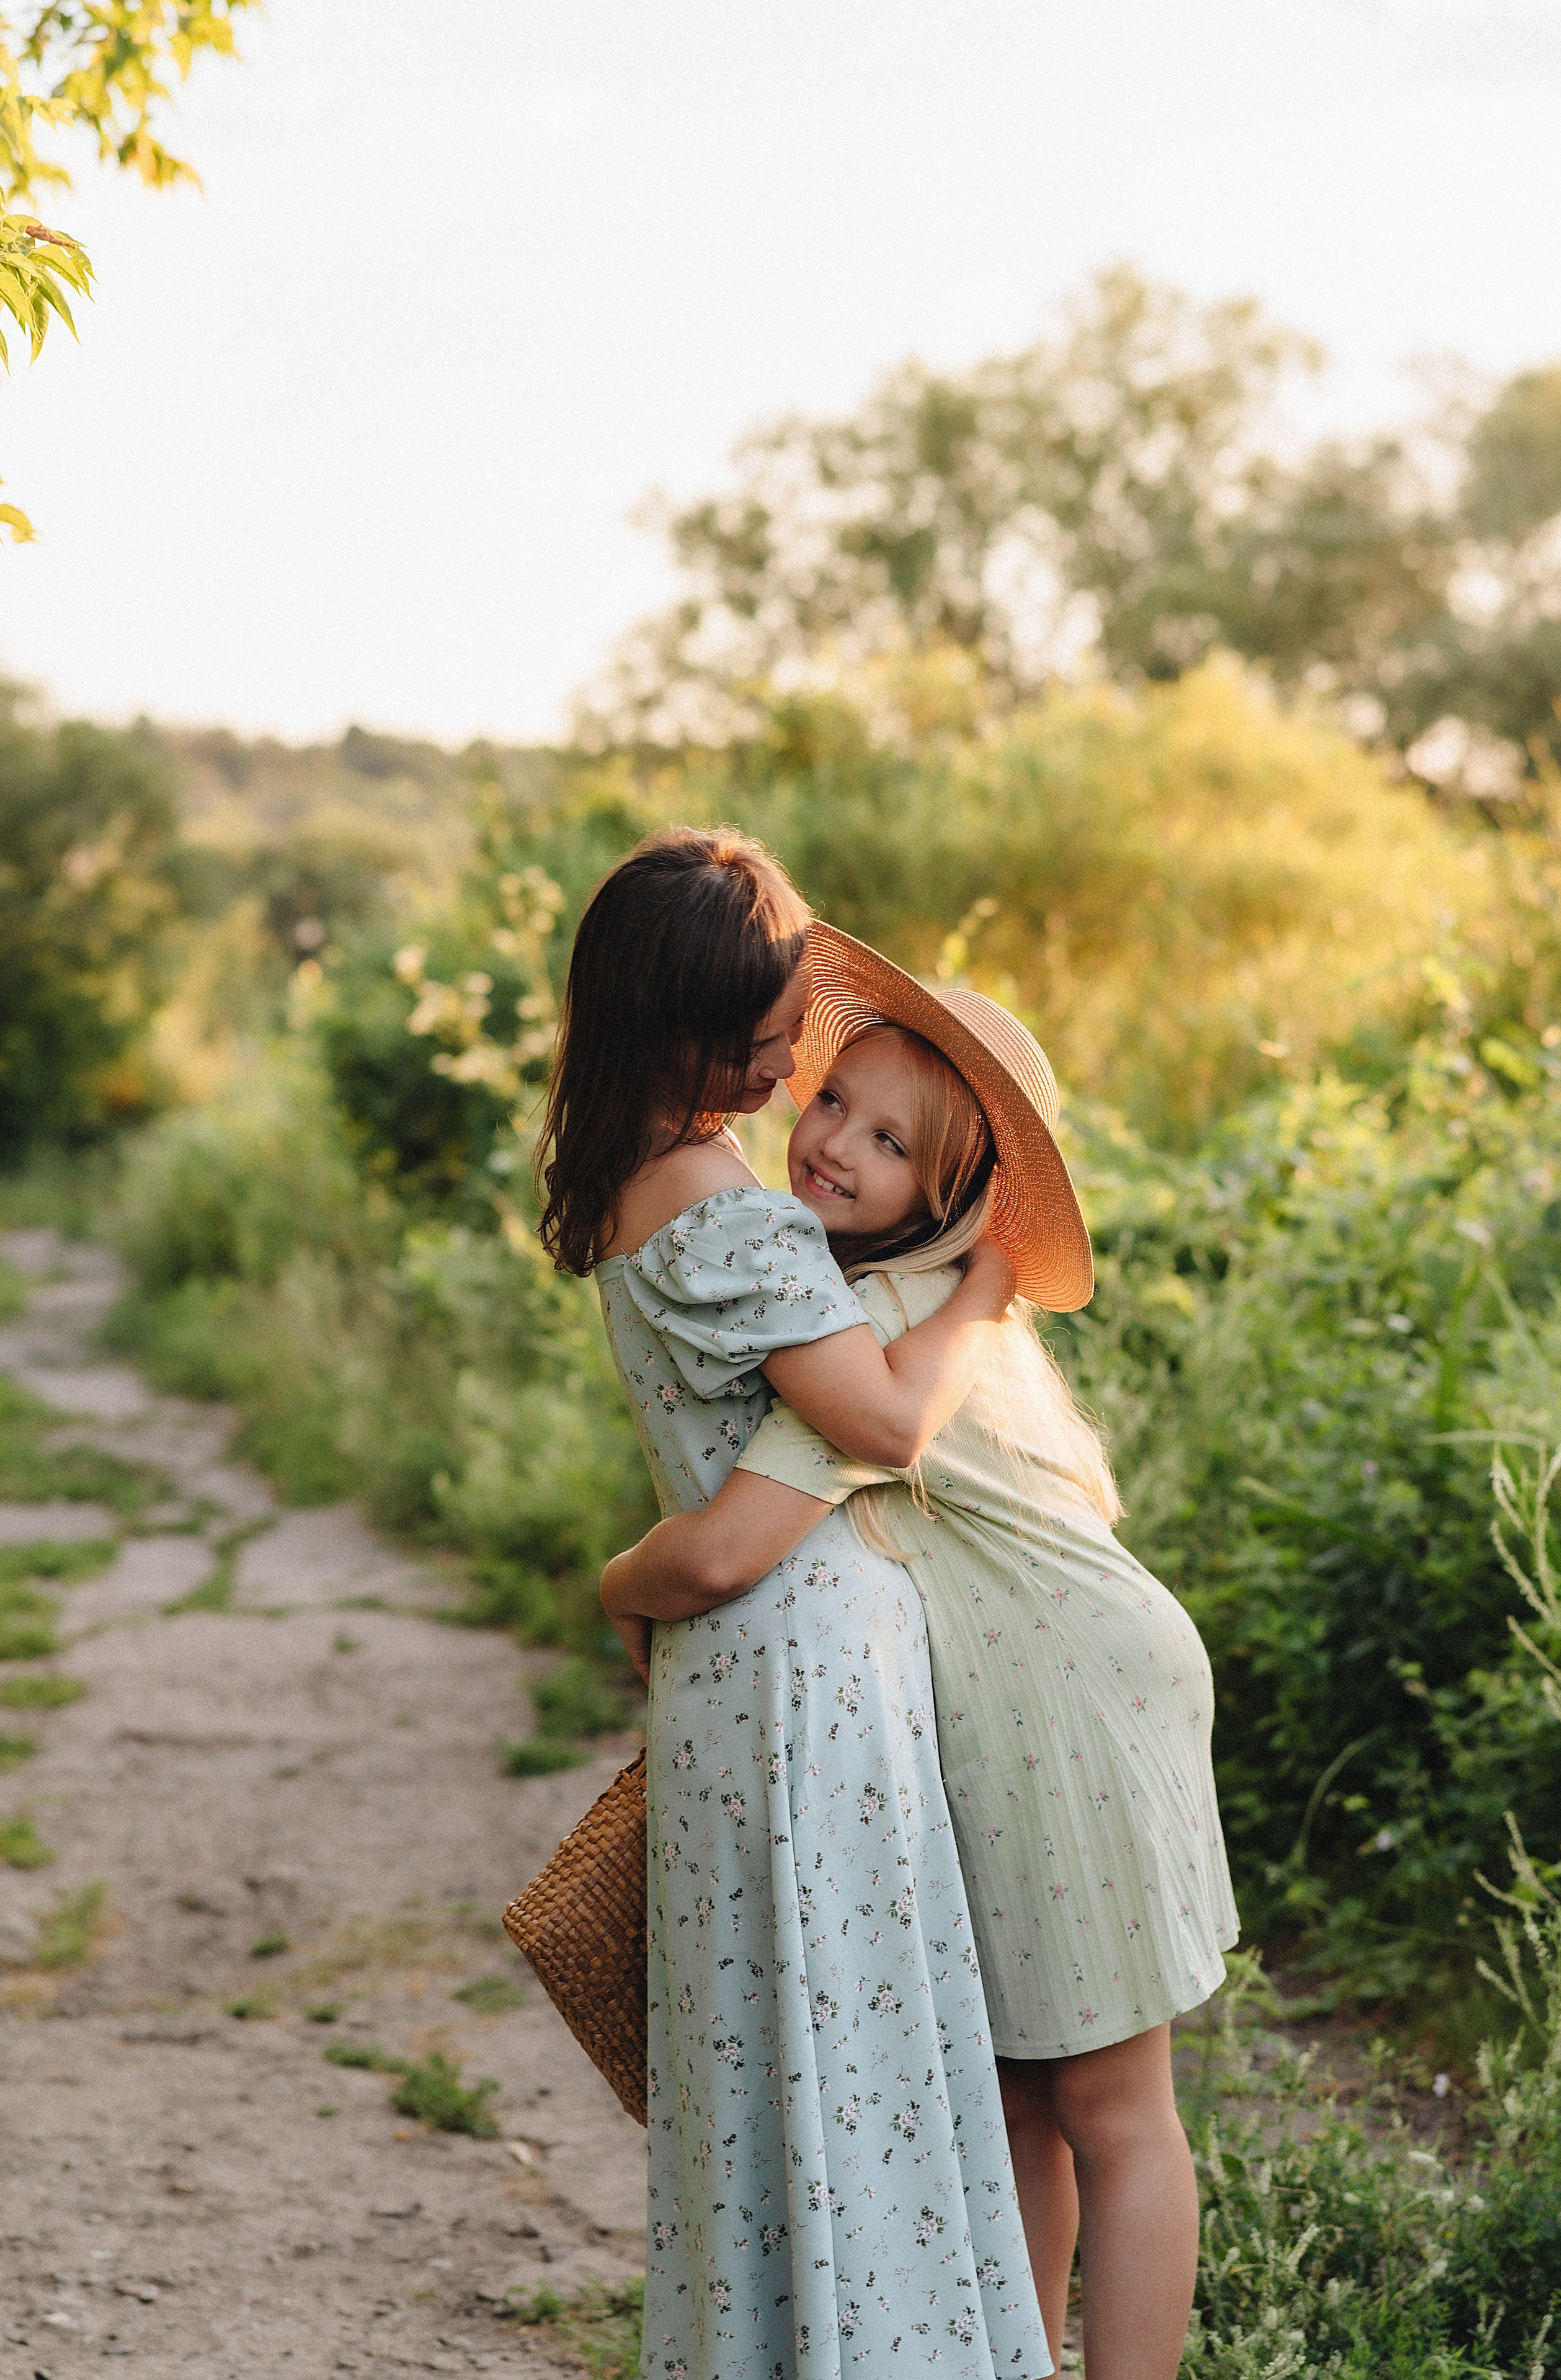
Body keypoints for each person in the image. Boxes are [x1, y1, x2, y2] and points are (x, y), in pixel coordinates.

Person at [600, 922, 1239, 2380]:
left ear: (943, 1196)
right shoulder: (900, 1308)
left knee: (1108, 2097)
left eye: (887, 1142)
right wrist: (973, 1293)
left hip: (1068, 1701)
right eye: (830, 1099)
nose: (827, 1142)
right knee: (1010, 2090)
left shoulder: (881, 1323)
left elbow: (724, 1545)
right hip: (1014, 1704)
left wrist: (620, 1581)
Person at [540, 829, 1051, 2380]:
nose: (782, 1082)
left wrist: (637, 1569)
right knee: (850, 2054)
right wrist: (980, 1285)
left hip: (739, 1677)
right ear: (683, 1031)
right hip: (802, 1680)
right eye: (766, 1052)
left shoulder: (629, 1172)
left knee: (765, 2066)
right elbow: (884, 1424)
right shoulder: (733, 1213)